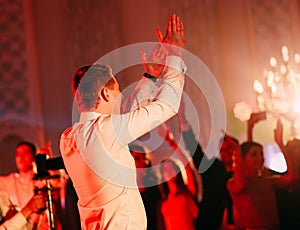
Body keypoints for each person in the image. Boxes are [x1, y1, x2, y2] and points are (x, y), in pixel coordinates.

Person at [60, 14, 186, 229]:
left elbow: (123, 115)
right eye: (118, 91)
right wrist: (175, 55)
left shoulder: (68, 138)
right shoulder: (106, 130)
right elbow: (167, 105)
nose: (121, 97)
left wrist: (151, 77)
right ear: (106, 94)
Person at [227, 118, 295, 229]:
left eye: (261, 154)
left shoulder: (267, 181)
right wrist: (237, 150)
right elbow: (242, 184)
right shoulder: (233, 184)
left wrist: (280, 144)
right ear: (242, 159)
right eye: (254, 155)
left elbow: (291, 177)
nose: (260, 158)